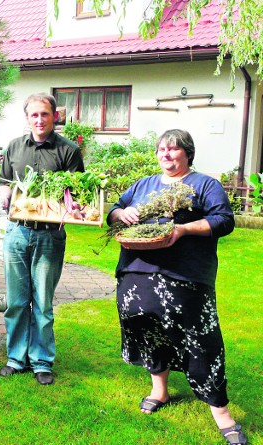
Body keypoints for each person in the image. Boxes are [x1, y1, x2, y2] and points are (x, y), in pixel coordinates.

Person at [107, 129, 247, 445]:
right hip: (137, 272)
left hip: (186, 277)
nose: (166, 154)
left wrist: (183, 229)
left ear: (187, 153)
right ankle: (160, 390)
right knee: (149, 333)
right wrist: (121, 212)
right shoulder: (144, 185)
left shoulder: (204, 185)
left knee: (202, 342)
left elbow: (223, 220)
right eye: (161, 149)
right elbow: (113, 211)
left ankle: (221, 412)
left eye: (173, 149)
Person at [0, 93, 84, 385]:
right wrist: (2, 197)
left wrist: (77, 207)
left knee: (42, 302)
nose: (39, 120)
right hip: (17, 231)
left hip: (50, 236)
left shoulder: (68, 151)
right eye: (34, 115)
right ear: (27, 117)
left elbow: (77, 192)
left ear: (54, 116)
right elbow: (4, 184)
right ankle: (16, 358)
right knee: (17, 301)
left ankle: (42, 360)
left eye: (45, 114)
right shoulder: (15, 148)